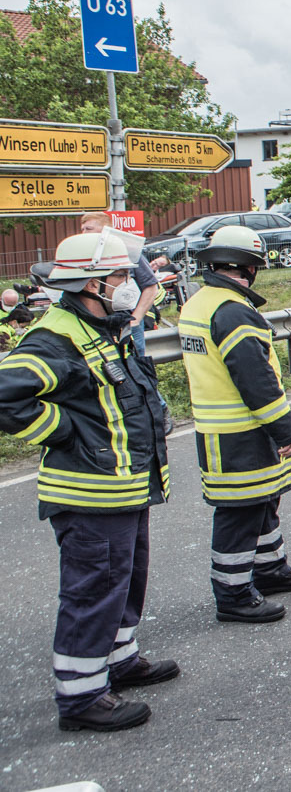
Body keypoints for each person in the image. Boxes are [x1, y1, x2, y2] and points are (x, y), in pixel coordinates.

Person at [0, 232, 178, 733]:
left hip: (123, 488)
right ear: (93, 282)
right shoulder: (56, 337)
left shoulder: (104, 326)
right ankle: (81, 698)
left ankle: (118, 660)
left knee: (123, 580)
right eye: (121, 276)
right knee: (93, 590)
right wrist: (65, 432)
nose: (129, 284)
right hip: (90, 493)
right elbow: (6, 397)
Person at [178, 226, 291, 625]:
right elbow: (257, 381)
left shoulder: (200, 302)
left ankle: (270, 570)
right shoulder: (233, 310)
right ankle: (234, 594)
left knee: (262, 502)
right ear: (251, 267)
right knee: (239, 512)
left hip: (224, 430)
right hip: (242, 431)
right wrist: (284, 429)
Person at [80, 212, 161, 356]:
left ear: (105, 230)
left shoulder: (127, 253)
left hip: (126, 324)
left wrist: (135, 319)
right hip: (96, 323)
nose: (83, 233)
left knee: (136, 368)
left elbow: (151, 287)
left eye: (89, 229)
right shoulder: (84, 255)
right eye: (82, 229)